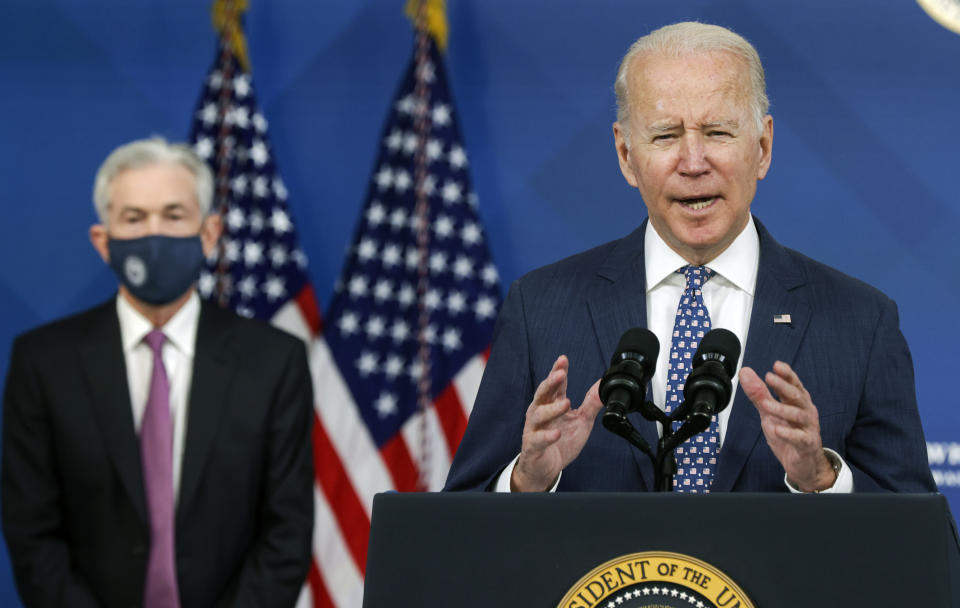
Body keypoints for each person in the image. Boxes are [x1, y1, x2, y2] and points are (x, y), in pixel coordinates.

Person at [444, 22, 935, 495]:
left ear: (762, 148)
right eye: (665, 136)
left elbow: (920, 544)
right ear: (625, 154)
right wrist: (529, 479)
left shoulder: (859, 321)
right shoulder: (541, 308)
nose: (694, 162)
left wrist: (824, 479)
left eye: (718, 132)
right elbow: (460, 525)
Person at [2, 137, 314, 607]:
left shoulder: (274, 361)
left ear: (209, 234)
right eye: (133, 218)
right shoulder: (43, 362)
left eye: (173, 216)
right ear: (103, 241)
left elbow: (286, 531)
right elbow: (33, 534)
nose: (154, 235)